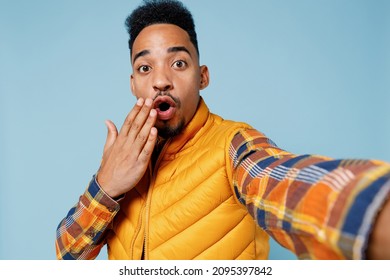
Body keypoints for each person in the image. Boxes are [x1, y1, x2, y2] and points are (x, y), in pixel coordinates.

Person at [55, 0, 390, 260]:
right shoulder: (120, 162)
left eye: (178, 63)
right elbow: (66, 255)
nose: (160, 80)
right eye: (145, 68)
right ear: (133, 84)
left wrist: (373, 208)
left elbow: (286, 184)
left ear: (203, 77)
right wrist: (107, 186)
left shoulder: (233, 145)